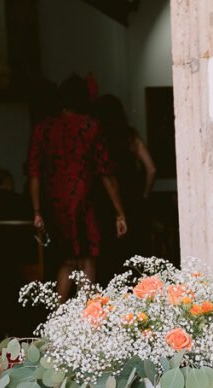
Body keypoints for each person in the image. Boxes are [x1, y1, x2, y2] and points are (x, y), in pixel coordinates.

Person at [27, 75, 127, 299]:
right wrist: (120, 212)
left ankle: (57, 314)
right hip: (84, 200)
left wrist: (37, 211)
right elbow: (106, 173)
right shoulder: (91, 125)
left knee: (67, 261)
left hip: (54, 203)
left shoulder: (43, 127)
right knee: (87, 259)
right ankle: (86, 314)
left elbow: (34, 172)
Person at [93, 94, 156, 281]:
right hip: (133, 199)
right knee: (136, 255)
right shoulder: (131, 137)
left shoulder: (98, 140)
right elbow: (151, 169)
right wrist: (144, 194)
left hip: (105, 201)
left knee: (110, 257)